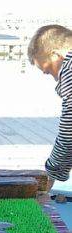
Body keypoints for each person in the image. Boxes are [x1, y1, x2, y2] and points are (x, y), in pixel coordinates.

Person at [27, 24, 72, 187]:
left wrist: (51, 174)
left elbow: (69, 132)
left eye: (48, 70)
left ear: (55, 56)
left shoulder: (70, 67)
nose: (55, 79)